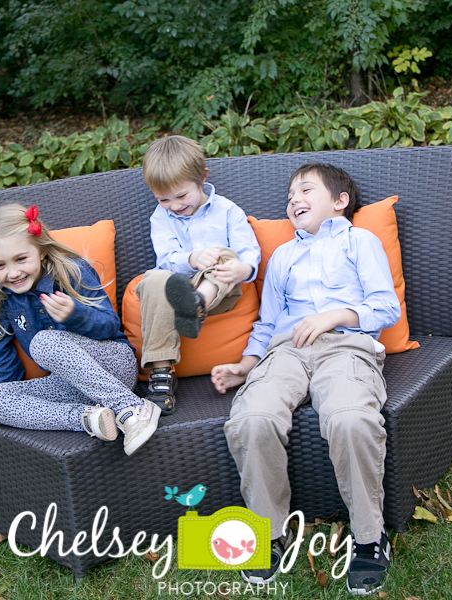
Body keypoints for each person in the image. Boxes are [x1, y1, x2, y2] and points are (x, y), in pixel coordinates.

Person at [212, 163, 401, 595]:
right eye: (290, 194)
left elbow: (386, 307)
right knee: (252, 418)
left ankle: (369, 537)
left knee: (352, 419)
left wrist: (335, 315)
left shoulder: (360, 241)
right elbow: (268, 322)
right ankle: (270, 534)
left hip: (346, 347)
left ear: (340, 202)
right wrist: (246, 364)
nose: (294, 199)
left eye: (306, 190)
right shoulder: (283, 256)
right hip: (287, 351)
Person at [0, 204, 160, 456]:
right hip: (70, 387)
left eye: (21, 259)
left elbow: (109, 324)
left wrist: (76, 316)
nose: (13, 272)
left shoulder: (72, 271)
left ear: (40, 250)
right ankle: (91, 419)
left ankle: (132, 409)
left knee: (43, 342)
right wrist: (18, 399)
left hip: (114, 367)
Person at [136, 135, 260, 415]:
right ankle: (161, 374)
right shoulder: (160, 217)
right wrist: (191, 259)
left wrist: (243, 269)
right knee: (153, 278)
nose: (174, 205)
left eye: (181, 195)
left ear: (202, 178)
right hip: (176, 289)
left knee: (226, 254)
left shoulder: (228, 211)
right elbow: (166, 259)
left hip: (220, 288)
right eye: (163, 199)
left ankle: (196, 303)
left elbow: (248, 252)